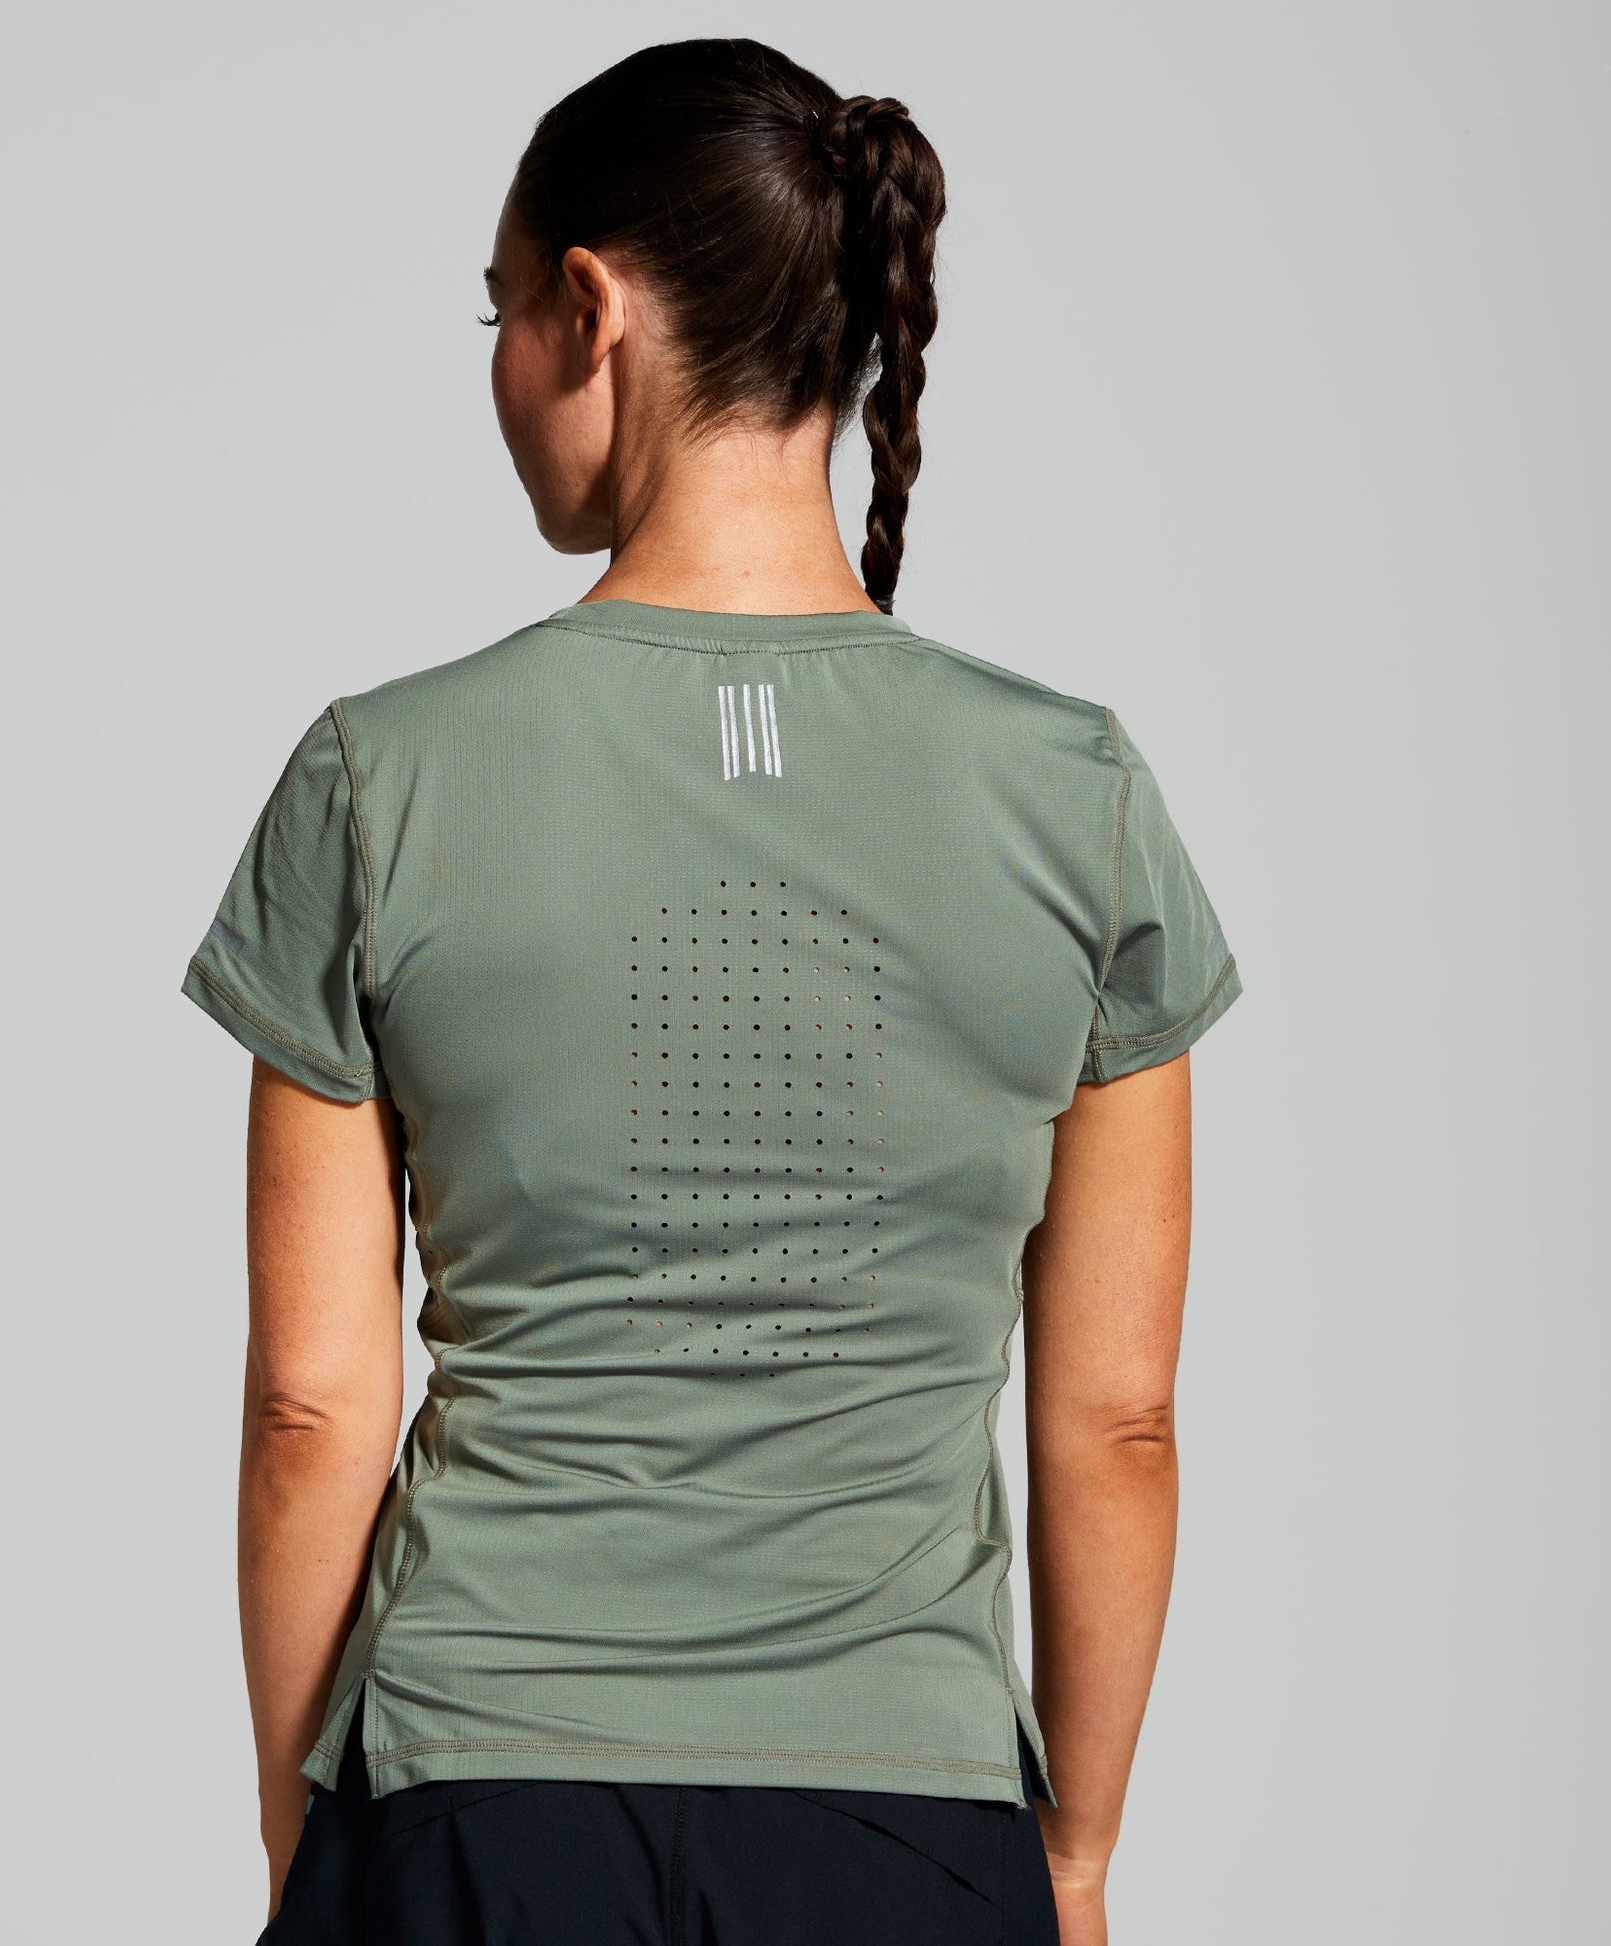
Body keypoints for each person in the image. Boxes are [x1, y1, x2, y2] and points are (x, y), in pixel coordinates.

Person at [180, 36, 1243, 1946]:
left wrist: (301, 1837)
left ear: (589, 310)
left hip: (471, 1801)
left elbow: (306, 1410)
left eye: (500, 308)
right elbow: (1117, 1421)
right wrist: (1073, 1857)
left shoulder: (377, 779)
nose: (498, 363)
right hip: (908, 1824)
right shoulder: (1074, 796)